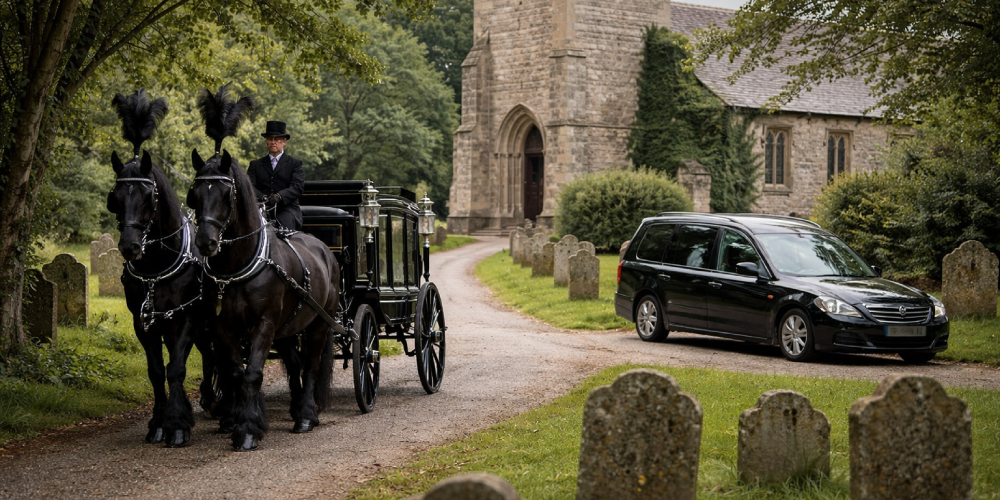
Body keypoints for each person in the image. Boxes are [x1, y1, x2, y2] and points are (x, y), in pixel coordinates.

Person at [247, 121, 304, 230]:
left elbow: (297, 187)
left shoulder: (295, 163)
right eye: (270, 139)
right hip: (260, 208)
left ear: (284, 142)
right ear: (266, 141)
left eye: (277, 139)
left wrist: (279, 196)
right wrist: (262, 197)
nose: (273, 142)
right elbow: (249, 186)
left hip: (287, 209)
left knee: (284, 227)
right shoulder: (255, 165)